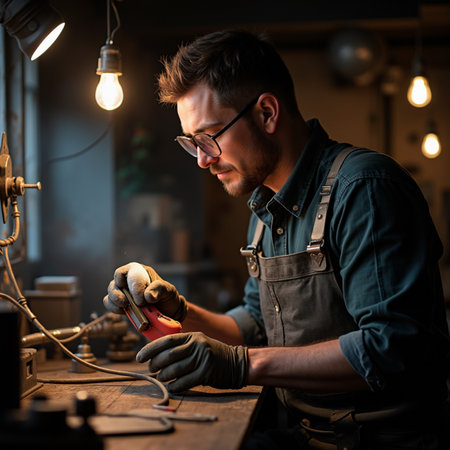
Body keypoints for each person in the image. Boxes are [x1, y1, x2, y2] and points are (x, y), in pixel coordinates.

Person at [103, 29, 450, 448]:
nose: (202, 159)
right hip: (306, 433)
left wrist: (240, 365)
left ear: (267, 113)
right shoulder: (267, 207)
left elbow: (392, 348)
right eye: (191, 143)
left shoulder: (364, 189)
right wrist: (179, 310)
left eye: (209, 137)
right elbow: (256, 325)